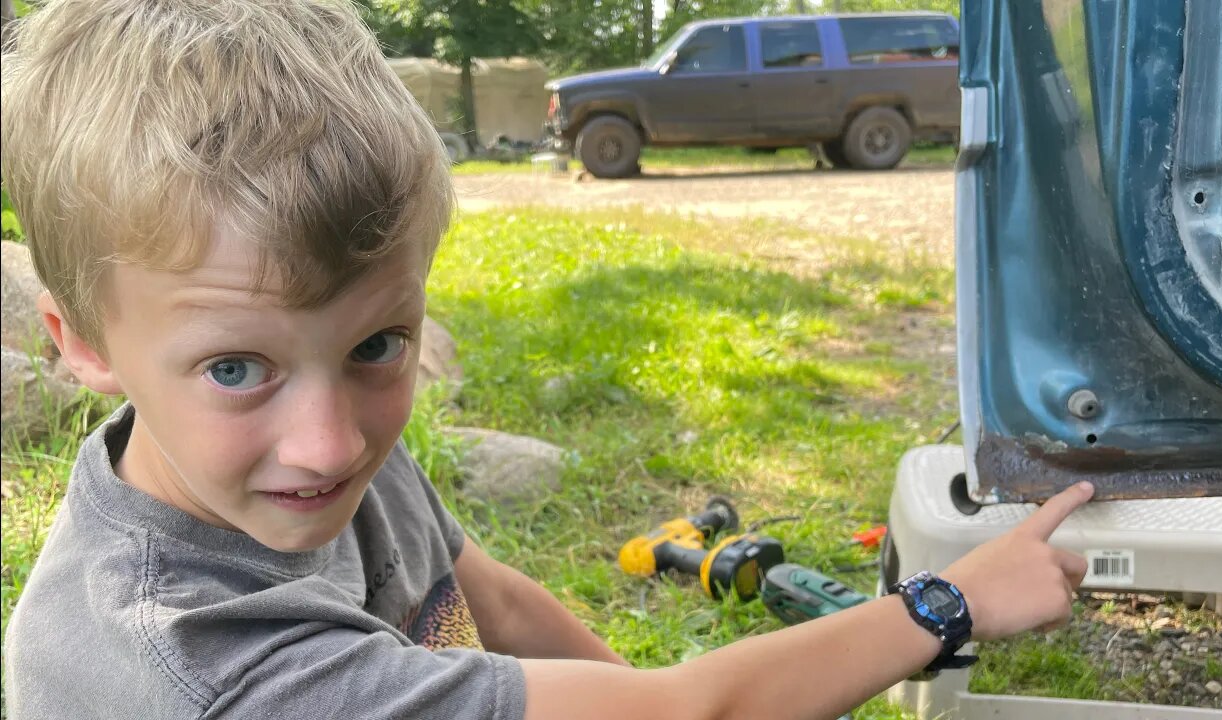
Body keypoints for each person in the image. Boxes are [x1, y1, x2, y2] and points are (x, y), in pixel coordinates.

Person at [0, 1, 1094, 718]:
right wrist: (941, 606)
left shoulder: (299, 456)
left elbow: (495, 598)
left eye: (379, 345)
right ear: (81, 341)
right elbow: (692, 714)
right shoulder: (202, 665)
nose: (335, 442)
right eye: (237, 369)